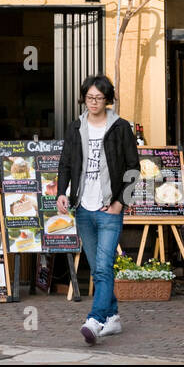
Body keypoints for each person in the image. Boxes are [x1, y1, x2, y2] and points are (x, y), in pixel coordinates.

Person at [56, 74, 140, 345]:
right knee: (97, 268)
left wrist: (120, 202)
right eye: (89, 97)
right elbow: (66, 163)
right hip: (83, 208)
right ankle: (113, 317)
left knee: (103, 268)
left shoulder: (120, 127)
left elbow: (133, 168)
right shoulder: (75, 127)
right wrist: (61, 192)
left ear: (108, 100)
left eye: (99, 98)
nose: (93, 102)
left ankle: (95, 319)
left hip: (109, 208)